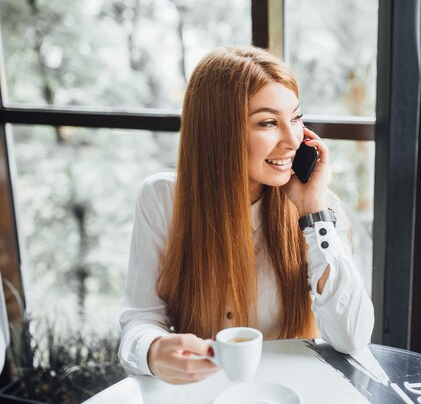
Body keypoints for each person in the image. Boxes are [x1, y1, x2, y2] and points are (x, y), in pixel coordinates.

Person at [118, 46, 374, 384]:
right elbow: (139, 320)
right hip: (208, 391)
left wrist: (313, 214)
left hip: (291, 392)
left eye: (296, 118)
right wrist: (153, 349)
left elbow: (352, 337)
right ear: (219, 131)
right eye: (268, 122)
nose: (292, 140)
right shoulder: (162, 199)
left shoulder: (320, 209)